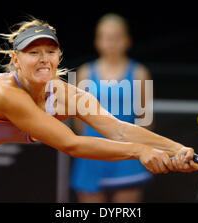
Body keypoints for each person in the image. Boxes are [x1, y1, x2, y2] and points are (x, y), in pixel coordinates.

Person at [0, 17, 198, 203]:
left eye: (50, 51)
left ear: (58, 58)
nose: (43, 58)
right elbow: (71, 144)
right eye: (33, 52)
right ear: (15, 60)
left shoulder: (66, 93)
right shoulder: (5, 91)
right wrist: (141, 152)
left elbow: (117, 128)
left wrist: (175, 149)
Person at [70, 14, 154, 203]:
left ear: (127, 40)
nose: (111, 43)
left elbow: (146, 120)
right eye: (106, 37)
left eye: (117, 37)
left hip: (128, 160)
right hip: (91, 159)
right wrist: (94, 145)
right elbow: (78, 122)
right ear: (97, 41)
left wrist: (140, 149)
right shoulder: (84, 72)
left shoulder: (140, 73)